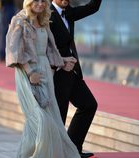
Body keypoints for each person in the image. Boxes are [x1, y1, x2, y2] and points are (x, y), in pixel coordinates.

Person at [5, 0, 80, 158]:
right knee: (39, 118)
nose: (40, 4)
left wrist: (63, 61)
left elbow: (48, 50)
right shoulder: (19, 20)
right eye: (36, 0)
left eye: (43, 1)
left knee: (49, 116)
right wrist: (30, 72)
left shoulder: (43, 20)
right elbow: (14, 49)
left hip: (45, 71)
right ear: (29, 2)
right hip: (28, 72)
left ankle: (30, 154)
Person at [49, 0, 102, 157]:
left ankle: (72, 150)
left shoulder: (69, 12)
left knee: (89, 105)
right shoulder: (45, 14)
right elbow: (43, 46)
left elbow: (92, 7)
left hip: (73, 73)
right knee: (59, 115)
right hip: (57, 73)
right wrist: (59, 62)